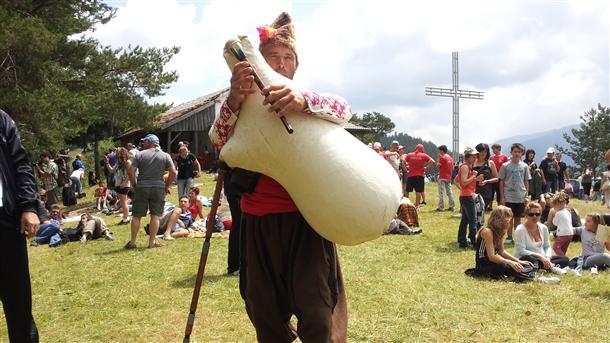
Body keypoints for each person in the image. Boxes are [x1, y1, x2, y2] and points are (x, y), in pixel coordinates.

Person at [209, 12, 349, 342]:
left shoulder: (305, 99)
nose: (282, 64)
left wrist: (303, 101)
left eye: (288, 58)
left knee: (317, 309)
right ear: (260, 60)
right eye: (274, 57)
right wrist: (234, 99)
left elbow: (344, 109)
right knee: (263, 310)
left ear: (295, 66)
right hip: (257, 220)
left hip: (305, 220)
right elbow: (218, 138)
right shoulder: (238, 100)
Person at [0, 108, 40, 342]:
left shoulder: (2, 119)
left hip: (5, 222)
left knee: (19, 308)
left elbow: (21, 163)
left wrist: (28, 206)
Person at [125, 134, 176, 249]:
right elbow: (173, 172)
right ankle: (151, 242)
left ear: (150, 142)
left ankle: (133, 242)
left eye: (145, 141)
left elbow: (131, 171)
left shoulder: (140, 155)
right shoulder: (165, 155)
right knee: (155, 216)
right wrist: (167, 185)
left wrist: (134, 184)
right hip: (158, 187)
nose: (143, 143)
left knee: (137, 215)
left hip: (142, 187)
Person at [469, 206, 535, 280]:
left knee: (525, 264)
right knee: (513, 268)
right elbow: (492, 257)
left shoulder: (499, 231)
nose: (509, 220)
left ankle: (525, 274)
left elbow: (502, 252)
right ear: (499, 219)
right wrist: (510, 262)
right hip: (484, 264)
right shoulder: (487, 231)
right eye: (507, 217)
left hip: (494, 262)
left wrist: (518, 261)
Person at [512, 202, 568, 273]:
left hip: (542, 258)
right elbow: (521, 250)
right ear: (526, 215)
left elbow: (547, 246)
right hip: (525, 258)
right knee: (531, 259)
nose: (534, 216)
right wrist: (540, 256)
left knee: (565, 259)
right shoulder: (520, 230)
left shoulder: (543, 228)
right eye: (531, 214)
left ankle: (545, 267)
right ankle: (550, 267)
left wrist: (547, 258)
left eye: (537, 214)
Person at [498, 143, 531, 245]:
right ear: (511, 152)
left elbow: (526, 181)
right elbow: (501, 181)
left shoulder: (525, 166)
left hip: (520, 196)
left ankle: (518, 237)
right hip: (508, 196)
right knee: (508, 218)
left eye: (519, 152)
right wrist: (502, 197)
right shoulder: (505, 165)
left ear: (522, 153)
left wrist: (526, 195)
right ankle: (509, 237)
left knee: (518, 218)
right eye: (515, 151)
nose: (517, 153)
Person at [456, 147, 483, 248]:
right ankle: (474, 242)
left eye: (476, 156)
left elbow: (456, 180)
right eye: (473, 156)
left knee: (465, 220)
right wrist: (474, 177)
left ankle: (462, 240)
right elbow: (463, 183)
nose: (475, 157)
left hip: (465, 195)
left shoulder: (466, 167)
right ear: (467, 156)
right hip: (467, 196)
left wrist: (475, 179)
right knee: (473, 220)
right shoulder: (465, 167)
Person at [104, 147, 132, 225]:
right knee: (123, 202)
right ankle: (125, 218)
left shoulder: (128, 162)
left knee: (124, 202)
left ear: (122, 153)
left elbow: (130, 174)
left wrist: (125, 183)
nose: (115, 154)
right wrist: (107, 163)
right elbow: (111, 171)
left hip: (124, 185)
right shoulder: (118, 163)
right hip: (118, 184)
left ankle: (126, 219)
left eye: (117, 153)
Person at [473, 143, 498, 212]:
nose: (483, 153)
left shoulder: (490, 163)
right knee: (473, 213)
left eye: (485, 151)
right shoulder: (472, 162)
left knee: (480, 213)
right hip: (473, 191)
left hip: (486, 192)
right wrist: (475, 179)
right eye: (481, 151)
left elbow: (496, 178)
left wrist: (487, 181)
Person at [549, 192, 574, 256]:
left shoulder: (558, 213)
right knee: (563, 248)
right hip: (570, 233)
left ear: (558, 204)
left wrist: (554, 216)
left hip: (563, 234)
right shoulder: (567, 211)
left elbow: (554, 223)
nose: (553, 208)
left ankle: (564, 259)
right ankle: (563, 260)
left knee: (555, 247)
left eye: (554, 206)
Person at [489, 143, 509, 210]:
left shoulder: (504, 157)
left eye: (494, 149)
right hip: (492, 177)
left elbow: (507, 167)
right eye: (492, 149)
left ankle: (499, 207)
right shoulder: (491, 157)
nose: (493, 150)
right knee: (491, 192)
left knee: (499, 192)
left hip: (501, 178)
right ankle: (490, 206)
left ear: (498, 149)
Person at [436, 145, 455, 212]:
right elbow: (453, 168)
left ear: (442, 150)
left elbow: (438, 165)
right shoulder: (450, 158)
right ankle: (452, 206)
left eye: (439, 150)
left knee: (441, 192)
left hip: (442, 176)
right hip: (449, 177)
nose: (439, 152)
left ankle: (441, 207)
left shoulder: (442, 157)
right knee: (450, 192)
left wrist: (438, 158)